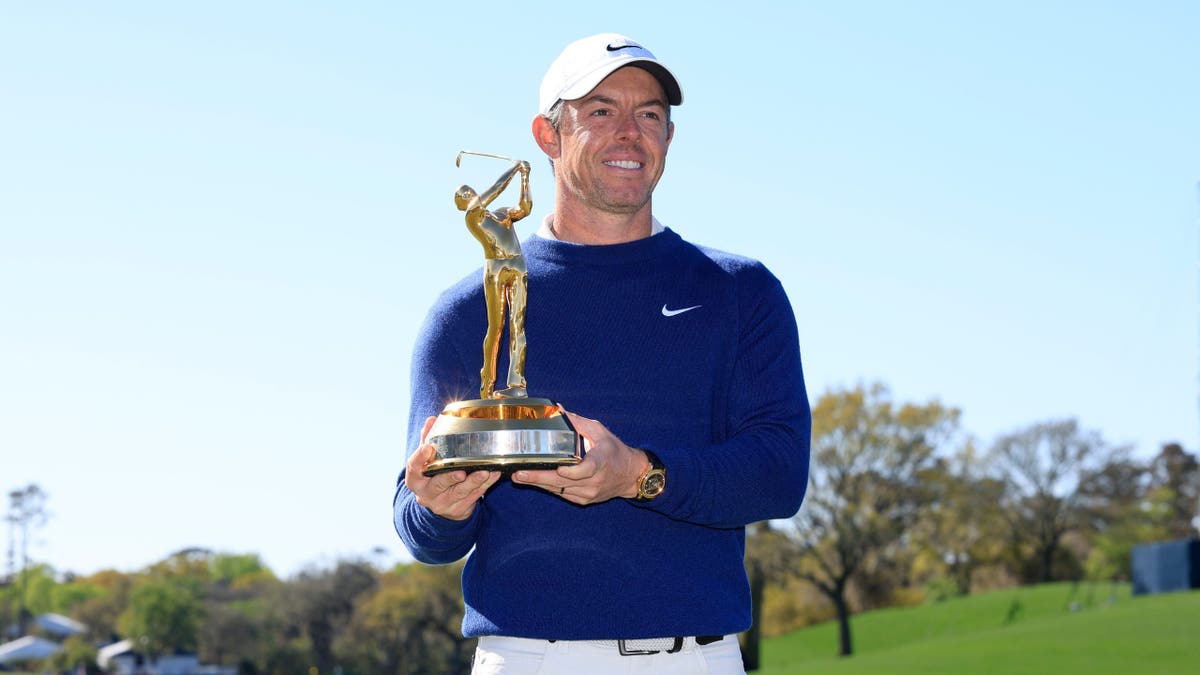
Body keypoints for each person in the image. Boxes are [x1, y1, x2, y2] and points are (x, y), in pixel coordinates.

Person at [395, 33, 811, 674]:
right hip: (527, 658)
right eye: (600, 111)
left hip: (694, 658)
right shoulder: (468, 310)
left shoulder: (738, 291)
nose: (629, 132)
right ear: (547, 134)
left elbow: (780, 473)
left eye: (649, 115)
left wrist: (638, 474)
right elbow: (418, 521)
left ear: (669, 138)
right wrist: (438, 506)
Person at [454, 160, 532, 399]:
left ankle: (517, 384)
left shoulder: (500, 214)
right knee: (496, 328)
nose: (468, 194)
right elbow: (497, 187)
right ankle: (487, 387)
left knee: (517, 325)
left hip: (517, 264)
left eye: (468, 190)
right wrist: (515, 169)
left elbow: (524, 208)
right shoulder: (472, 217)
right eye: (463, 195)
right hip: (495, 269)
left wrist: (525, 178)